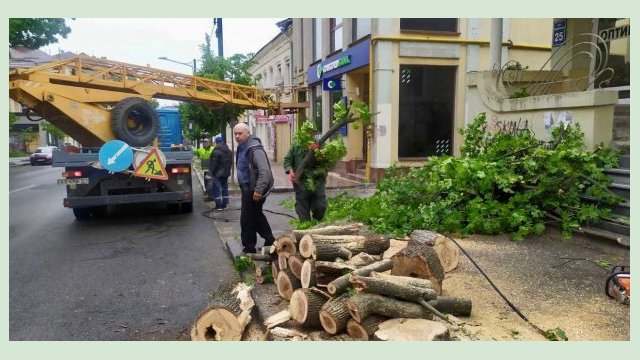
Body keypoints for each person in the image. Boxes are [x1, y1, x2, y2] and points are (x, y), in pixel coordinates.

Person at [233, 122, 275, 254]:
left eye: (240, 133)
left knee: (247, 218)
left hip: (254, 189)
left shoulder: (255, 149)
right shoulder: (241, 147)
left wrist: (258, 190)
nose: (237, 136)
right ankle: (271, 241)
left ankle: (249, 247)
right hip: (247, 188)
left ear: (248, 133)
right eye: (235, 133)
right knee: (256, 216)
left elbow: (265, 172)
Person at [284, 138, 327, 222]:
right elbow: (287, 160)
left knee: (320, 206)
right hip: (301, 182)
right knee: (302, 208)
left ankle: (318, 224)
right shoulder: (296, 146)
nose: (310, 134)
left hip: (317, 182)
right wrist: (290, 170)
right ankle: (305, 229)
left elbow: (327, 161)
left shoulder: (320, 144)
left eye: (312, 132)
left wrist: (318, 152)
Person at [208, 136, 232, 210]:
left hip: (217, 174)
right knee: (225, 188)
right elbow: (230, 163)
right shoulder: (229, 151)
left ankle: (218, 206)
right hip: (226, 173)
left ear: (216, 142)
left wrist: (210, 173)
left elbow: (213, 164)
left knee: (217, 189)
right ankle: (225, 204)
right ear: (222, 142)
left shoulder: (216, 151)